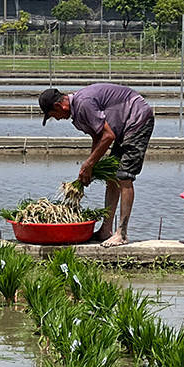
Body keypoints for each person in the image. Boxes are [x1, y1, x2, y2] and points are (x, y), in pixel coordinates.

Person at [37, 83, 154, 247]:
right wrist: (92, 166)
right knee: (111, 177)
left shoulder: (84, 104)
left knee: (124, 177)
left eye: (53, 115)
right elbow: (98, 137)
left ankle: (122, 234)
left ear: (59, 105)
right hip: (122, 126)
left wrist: (89, 164)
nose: (56, 119)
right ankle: (106, 230)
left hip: (136, 119)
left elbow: (108, 136)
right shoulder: (77, 114)